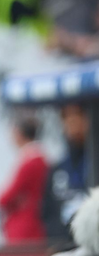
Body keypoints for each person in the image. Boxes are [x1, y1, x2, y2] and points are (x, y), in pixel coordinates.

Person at [0, 113, 48, 244]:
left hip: (25, 226)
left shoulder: (30, 162)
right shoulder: (40, 159)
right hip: (35, 221)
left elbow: (5, 198)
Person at [42, 103, 89, 242]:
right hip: (63, 245)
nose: (72, 122)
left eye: (77, 116)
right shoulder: (58, 168)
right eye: (67, 117)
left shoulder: (92, 164)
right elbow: (47, 211)